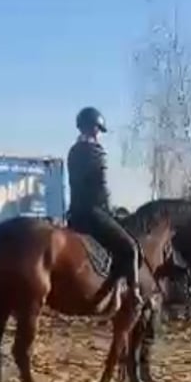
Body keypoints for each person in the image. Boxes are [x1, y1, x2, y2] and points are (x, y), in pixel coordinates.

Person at [67, 106, 143, 307]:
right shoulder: (96, 151)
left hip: (75, 215)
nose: (100, 134)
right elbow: (101, 187)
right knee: (130, 248)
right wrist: (110, 211)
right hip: (94, 213)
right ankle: (134, 293)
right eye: (99, 130)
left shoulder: (73, 151)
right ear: (94, 129)